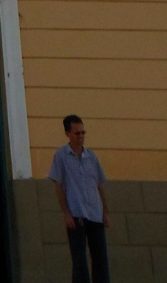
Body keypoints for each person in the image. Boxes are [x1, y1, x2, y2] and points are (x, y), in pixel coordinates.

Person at [48, 114, 110, 283]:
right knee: (79, 261)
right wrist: (66, 213)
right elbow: (59, 186)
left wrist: (105, 211)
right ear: (68, 134)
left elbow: (99, 184)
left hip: (95, 213)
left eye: (83, 133)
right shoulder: (61, 156)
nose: (81, 136)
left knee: (101, 260)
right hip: (76, 215)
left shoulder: (91, 156)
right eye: (77, 133)